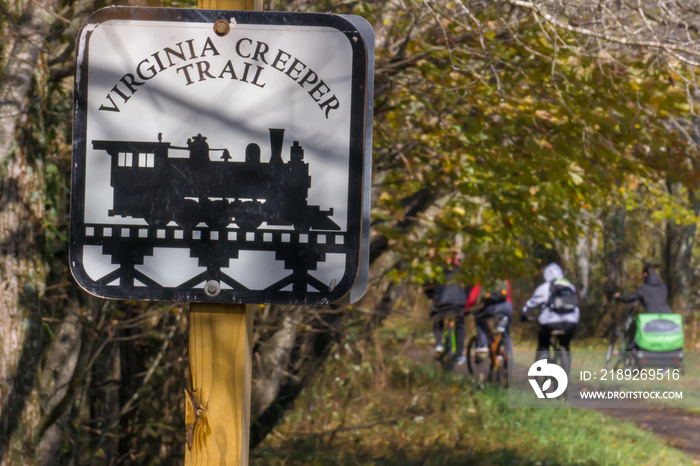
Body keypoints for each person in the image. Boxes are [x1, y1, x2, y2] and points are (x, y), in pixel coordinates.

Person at [521, 263, 579, 361]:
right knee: (565, 343)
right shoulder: (570, 286)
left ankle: (543, 355)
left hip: (550, 324)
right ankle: (566, 370)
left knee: (543, 339)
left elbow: (531, 304)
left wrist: (524, 314)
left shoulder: (544, 288)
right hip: (571, 323)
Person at [614, 265, 671, 349]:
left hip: (651, 319)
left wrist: (619, 296)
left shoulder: (643, 288)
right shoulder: (664, 287)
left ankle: (630, 348)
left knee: (634, 325)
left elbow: (630, 298)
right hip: (668, 318)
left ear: (645, 274)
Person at [425, 257, 468, 365]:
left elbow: (427, 285)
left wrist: (432, 295)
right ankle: (459, 353)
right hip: (459, 303)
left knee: (438, 319)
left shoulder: (438, 270)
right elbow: (469, 287)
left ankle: (439, 345)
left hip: (442, 302)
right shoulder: (462, 272)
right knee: (460, 324)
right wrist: (464, 298)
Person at [469, 280, 513, 358]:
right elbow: (508, 294)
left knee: (479, 318)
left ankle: (483, 344)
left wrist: (467, 308)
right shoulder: (503, 277)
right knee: (506, 334)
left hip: (491, 308)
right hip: (507, 307)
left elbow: (473, 296)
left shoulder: (483, 277)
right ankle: (509, 360)